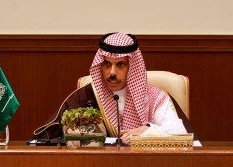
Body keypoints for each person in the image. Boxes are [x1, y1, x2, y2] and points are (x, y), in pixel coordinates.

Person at [33, 32, 195, 142]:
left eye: (120, 65)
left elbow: (181, 134)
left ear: (132, 67)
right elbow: (46, 136)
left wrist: (147, 131)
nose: (111, 72)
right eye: (106, 64)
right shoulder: (87, 96)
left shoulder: (154, 97)